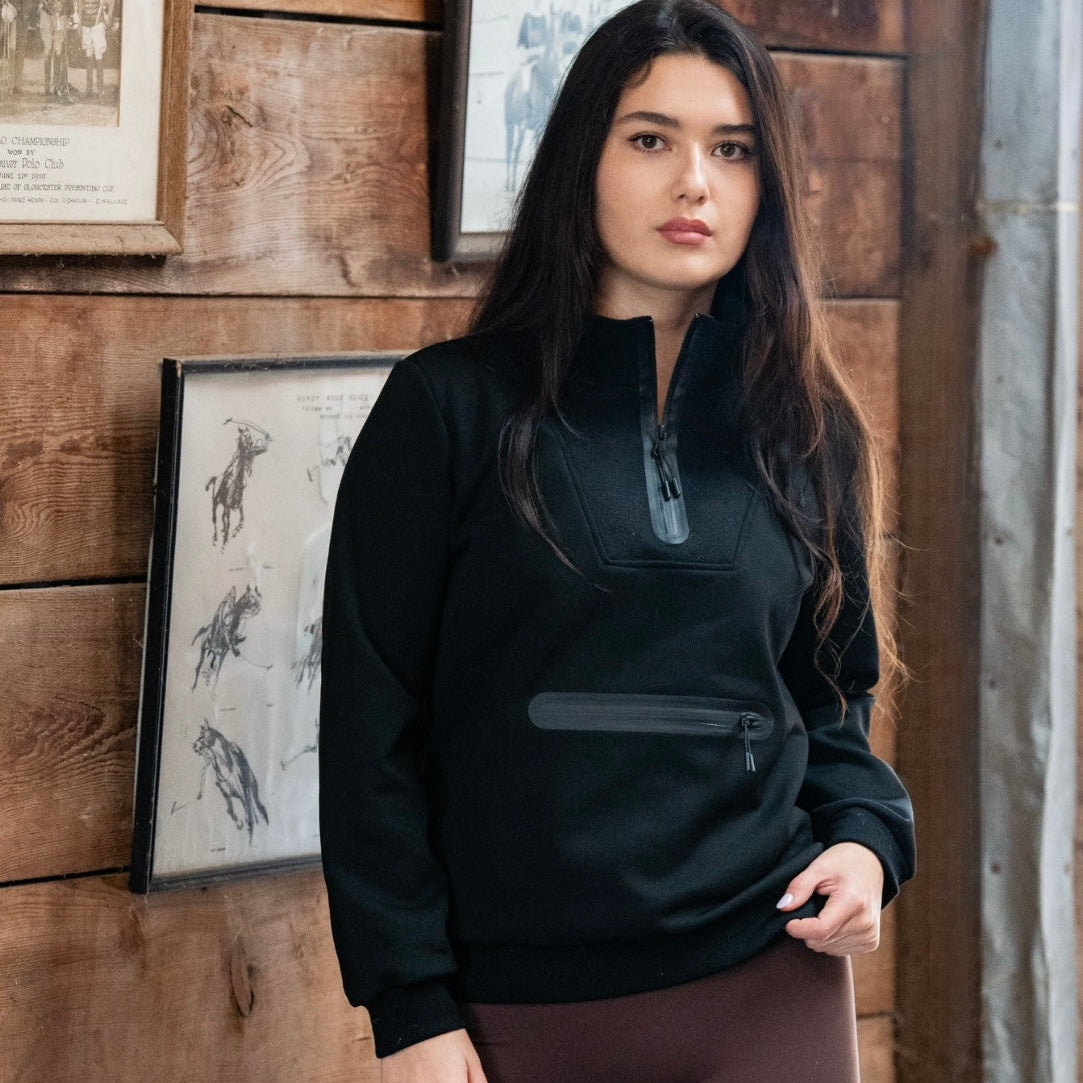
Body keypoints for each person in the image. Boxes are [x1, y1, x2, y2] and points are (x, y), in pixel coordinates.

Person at [319, 2, 916, 1081]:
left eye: (731, 150)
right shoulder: (447, 411)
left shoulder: (807, 425)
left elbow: (834, 701)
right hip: (523, 1008)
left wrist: (867, 844)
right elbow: (371, 733)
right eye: (652, 139)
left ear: (765, 186)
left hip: (771, 984)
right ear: (580, 161)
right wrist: (409, 1005)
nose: (695, 182)